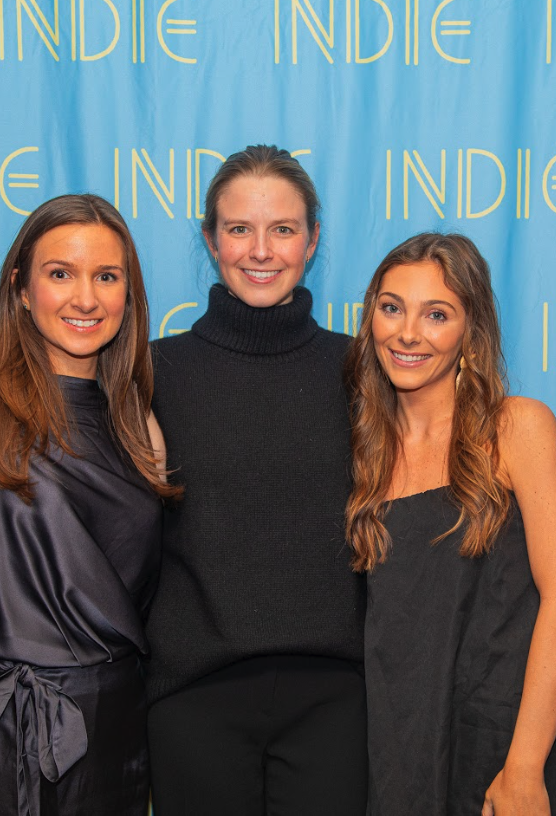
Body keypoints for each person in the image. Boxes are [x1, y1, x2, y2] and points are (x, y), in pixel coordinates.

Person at [0, 194, 177, 816]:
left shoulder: (138, 426)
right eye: (61, 273)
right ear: (21, 289)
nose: (86, 299)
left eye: (107, 276)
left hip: (120, 739)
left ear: (129, 295)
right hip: (10, 744)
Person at [345, 233, 556, 816]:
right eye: (391, 308)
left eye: (436, 314)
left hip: (513, 744)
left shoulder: (515, 427)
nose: (408, 333)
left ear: (471, 332)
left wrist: (524, 768)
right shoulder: (364, 453)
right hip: (405, 753)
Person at [145, 145, 367, 815]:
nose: (261, 251)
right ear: (211, 238)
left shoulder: (365, 371)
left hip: (338, 700)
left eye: (283, 229)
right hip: (193, 699)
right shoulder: (150, 374)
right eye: (239, 228)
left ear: (313, 239)